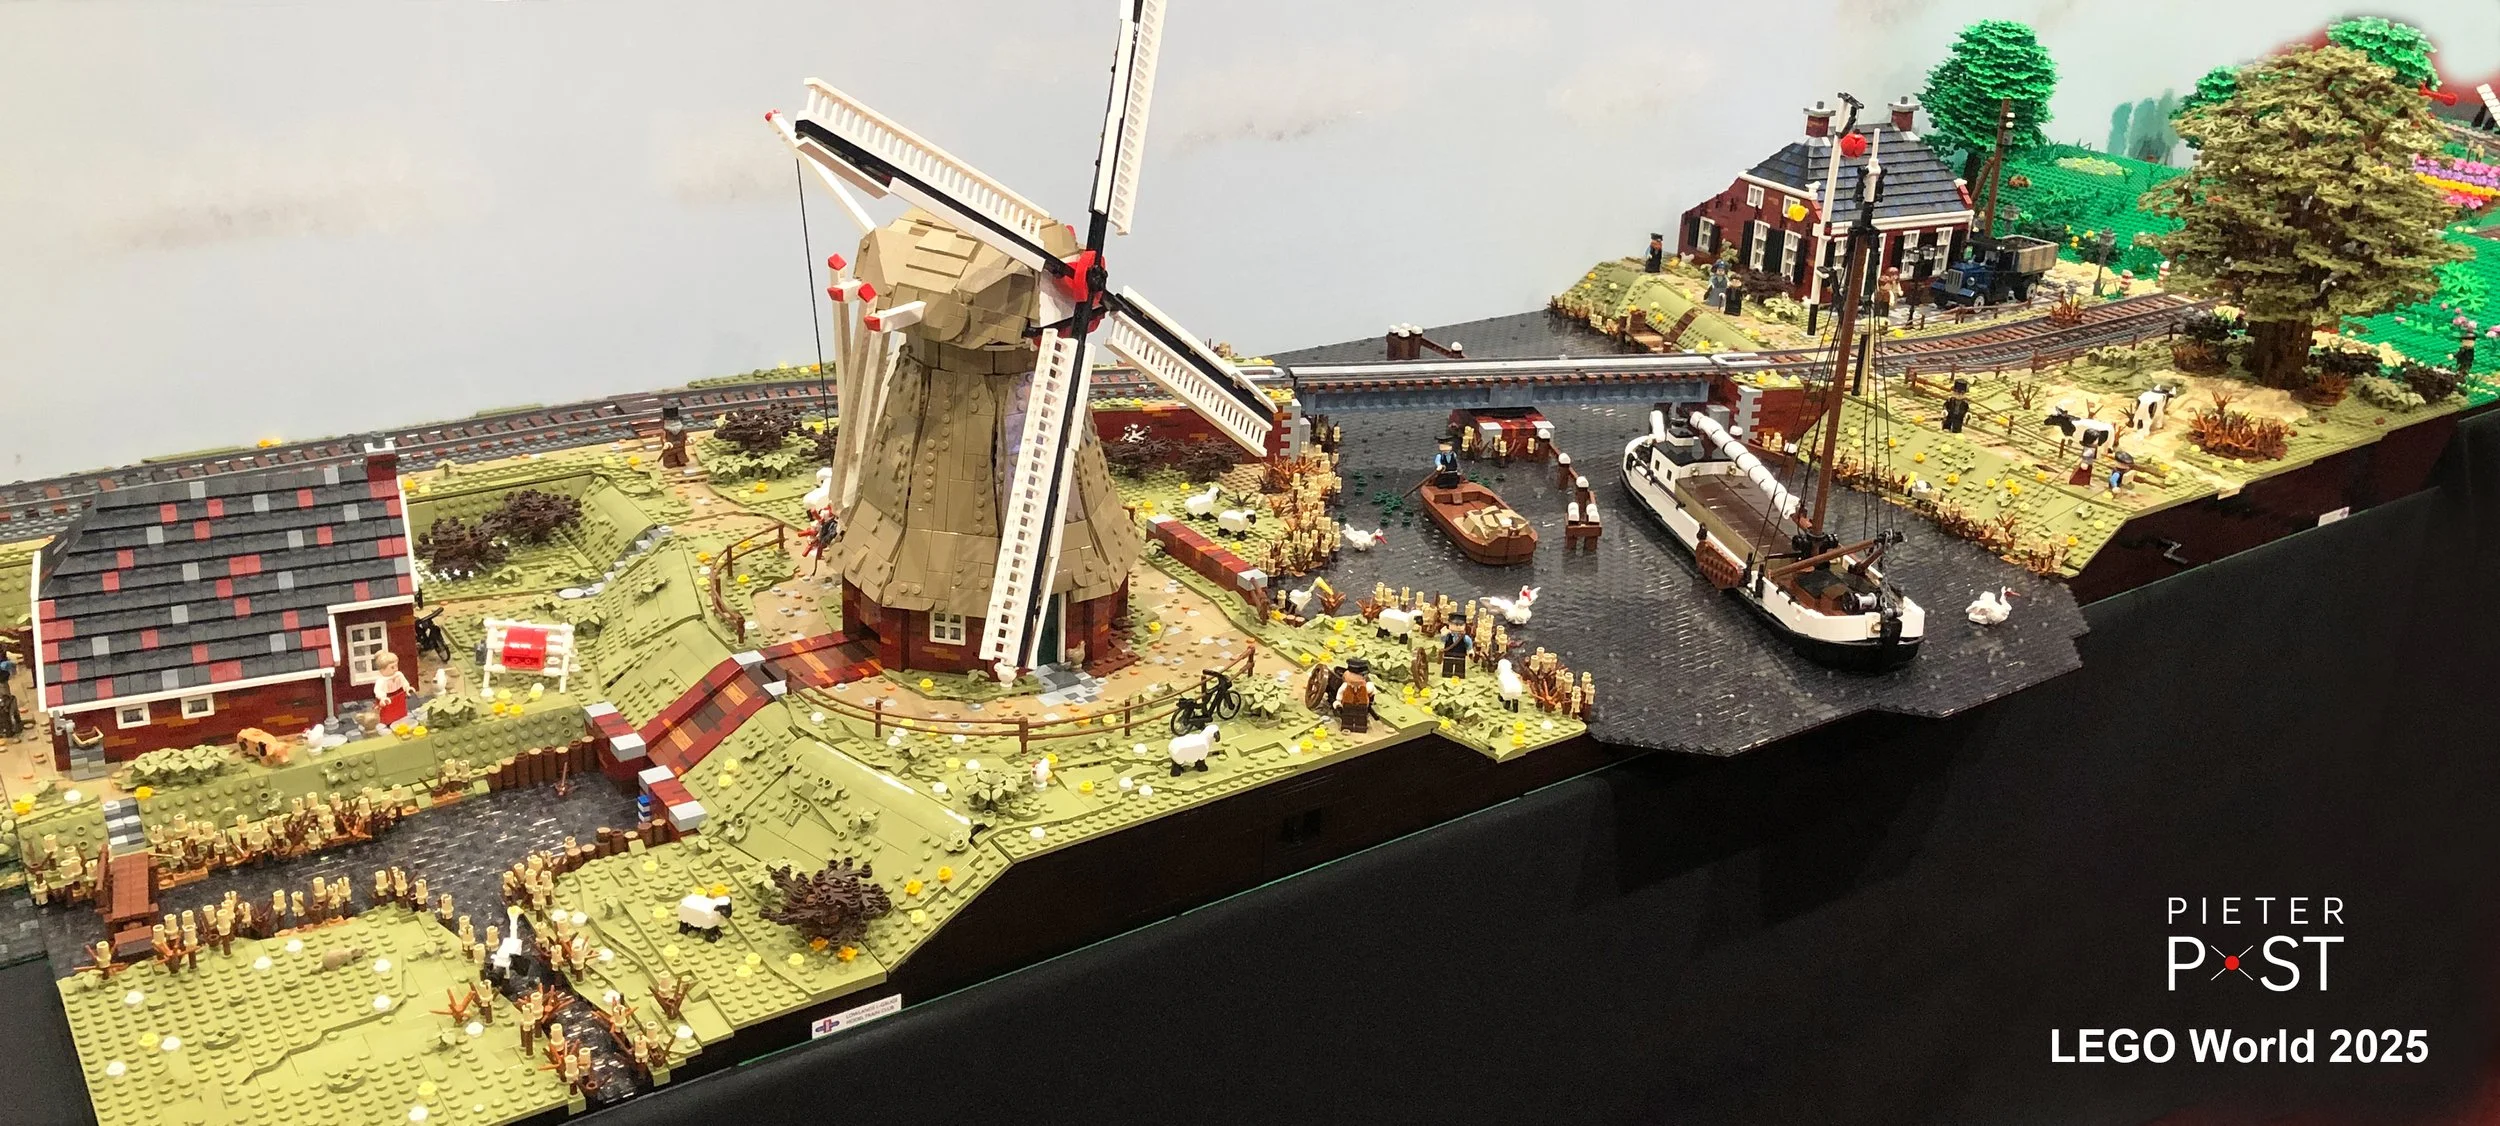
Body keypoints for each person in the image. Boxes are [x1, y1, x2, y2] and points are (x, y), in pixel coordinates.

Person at [371, 650, 415, 726]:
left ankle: (401, 719)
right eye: (392, 667)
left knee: (400, 711)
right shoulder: (381, 680)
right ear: (382, 669)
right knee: (388, 713)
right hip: (387, 699)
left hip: (399, 696)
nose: (396, 669)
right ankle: (388, 724)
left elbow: (404, 682)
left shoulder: (399, 675)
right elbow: (378, 690)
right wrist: (382, 697)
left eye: (396, 666)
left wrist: (407, 688)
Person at [1334, 658, 1372, 733]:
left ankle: (1361, 727)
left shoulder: (1364, 687)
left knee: (1361, 718)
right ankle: (1347, 726)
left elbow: (1370, 691)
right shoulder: (1346, 686)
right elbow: (1340, 692)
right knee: (1347, 717)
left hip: (1362, 705)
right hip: (1347, 704)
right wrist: (1338, 701)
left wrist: (1371, 690)